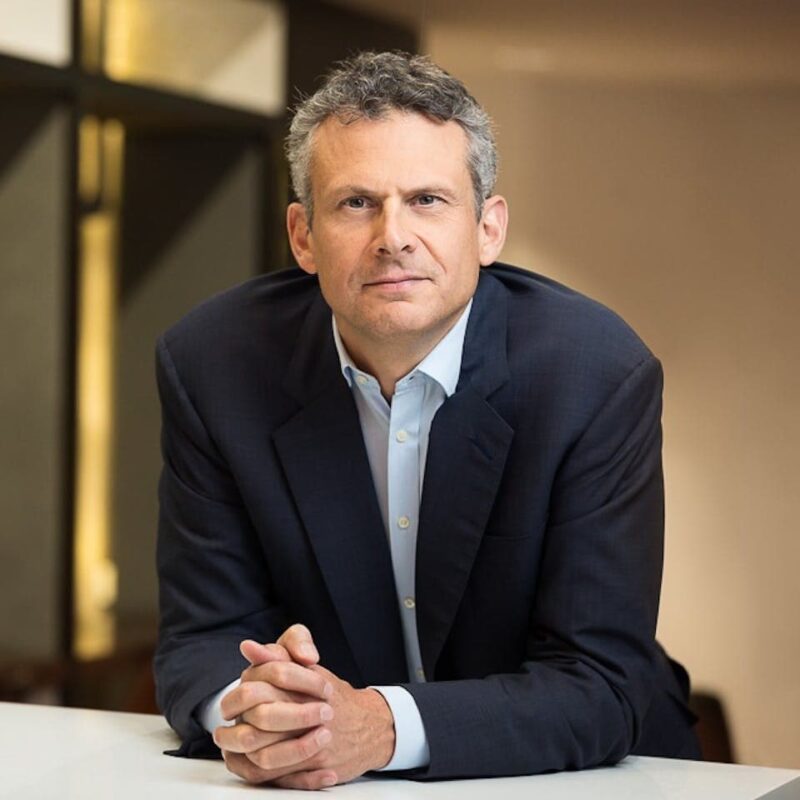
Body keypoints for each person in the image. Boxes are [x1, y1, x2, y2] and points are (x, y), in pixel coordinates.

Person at [154, 51, 699, 790]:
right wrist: (264, 714)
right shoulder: (213, 365)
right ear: (302, 235)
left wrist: (379, 726)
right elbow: (201, 640)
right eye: (355, 203)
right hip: (330, 782)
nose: (393, 237)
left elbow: (601, 680)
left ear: (488, 229)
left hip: (585, 775)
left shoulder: (593, 376)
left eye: (428, 201)